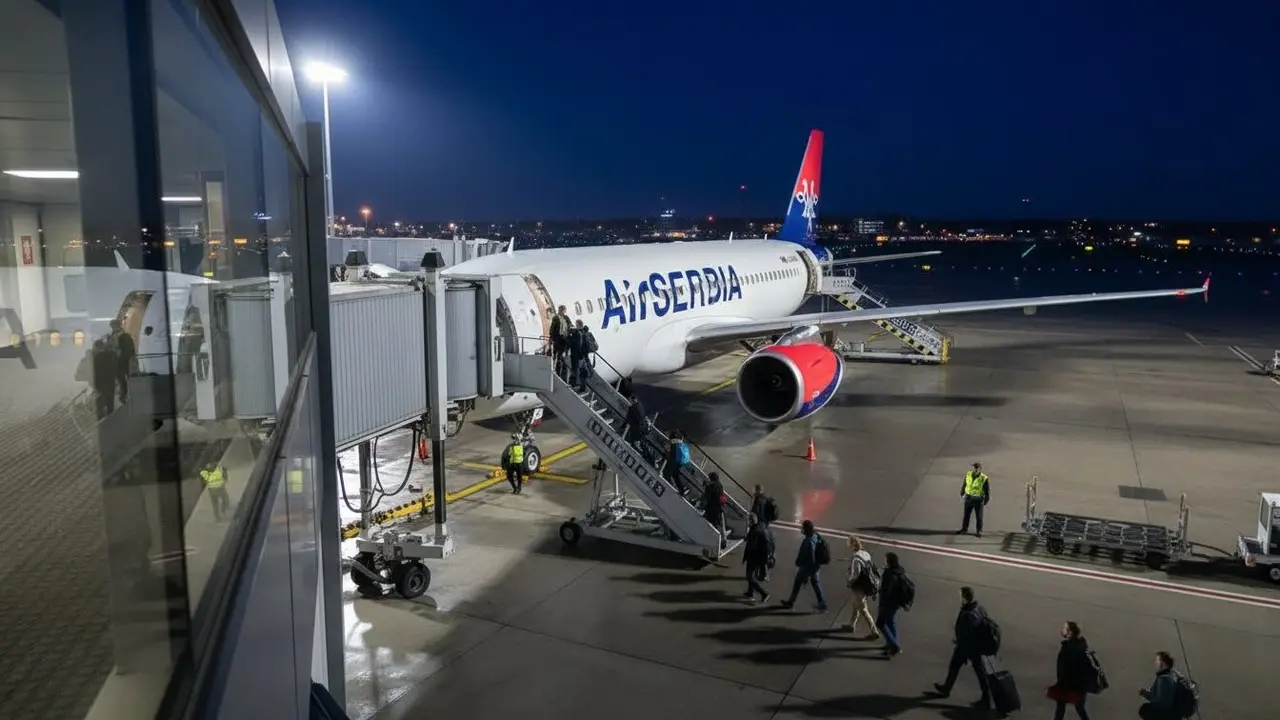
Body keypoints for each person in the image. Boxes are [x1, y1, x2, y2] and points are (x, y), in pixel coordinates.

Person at [933, 586, 993, 708]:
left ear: (965, 598)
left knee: (973, 670)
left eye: (961, 596)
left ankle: (986, 698)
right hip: (974, 646)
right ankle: (947, 688)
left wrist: (959, 641)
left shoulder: (968, 614)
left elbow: (965, 632)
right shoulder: (979, 608)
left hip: (968, 647)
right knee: (974, 670)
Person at [780, 519, 828, 612]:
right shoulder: (816, 536)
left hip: (807, 567)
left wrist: (800, 563)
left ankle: (791, 602)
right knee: (815, 583)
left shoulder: (808, 541)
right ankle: (822, 603)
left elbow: (807, 556)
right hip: (816, 566)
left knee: (798, 582)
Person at [1049, 621, 1093, 720]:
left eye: (1065, 628)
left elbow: (1065, 667)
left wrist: (1062, 682)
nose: (1062, 630)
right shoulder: (1081, 644)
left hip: (1068, 684)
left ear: (1070, 632)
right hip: (1079, 684)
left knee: (1061, 708)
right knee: (1079, 708)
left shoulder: (1068, 647)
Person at [843, 536, 880, 639]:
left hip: (860, 587)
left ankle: (874, 631)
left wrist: (849, 580)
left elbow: (856, 574)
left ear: (852, 545)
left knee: (863, 609)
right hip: (867, 584)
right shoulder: (866, 553)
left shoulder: (855, 558)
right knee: (856, 604)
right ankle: (851, 625)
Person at [876, 552, 911, 657]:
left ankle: (893, 645)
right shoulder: (899, 571)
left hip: (888, 603)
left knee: (880, 623)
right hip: (896, 603)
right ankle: (890, 644)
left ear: (888, 562)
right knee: (891, 622)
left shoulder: (889, 575)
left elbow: (885, 591)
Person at [1138, 651, 1183, 719]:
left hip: (1167, 715)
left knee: (1145, 709)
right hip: (1174, 714)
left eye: (1157, 660)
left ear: (1163, 663)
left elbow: (1160, 701)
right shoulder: (1173, 674)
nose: (1156, 663)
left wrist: (1146, 694)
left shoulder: (1164, 679)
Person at [741, 513, 772, 603]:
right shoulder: (759, 527)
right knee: (749, 575)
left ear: (751, 521)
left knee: (750, 577)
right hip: (757, 557)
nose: (747, 522)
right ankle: (750, 592)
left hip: (753, 557)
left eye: (748, 520)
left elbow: (752, 546)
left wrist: (746, 556)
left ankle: (764, 593)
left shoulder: (755, 531)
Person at [957, 462, 991, 537]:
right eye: (974, 468)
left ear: (980, 469)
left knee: (979, 516)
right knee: (966, 515)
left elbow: (987, 491)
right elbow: (964, 484)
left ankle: (979, 531)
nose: (975, 469)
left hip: (978, 499)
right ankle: (964, 529)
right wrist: (962, 493)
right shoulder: (968, 474)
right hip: (968, 497)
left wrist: (985, 501)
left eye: (977, 468)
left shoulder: (984, 478)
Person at [109, 318, 136, 403]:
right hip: (120, 361)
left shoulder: (122, 336)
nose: (113, 328)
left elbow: (129, 349)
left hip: (122, 360)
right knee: (123, 379)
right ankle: (126, 395)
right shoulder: (115, 336)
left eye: (114, 326)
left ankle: (127, 395)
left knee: (125, 378)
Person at [702, 471, 727, 549]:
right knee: (722, 526)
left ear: (711, 479)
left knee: (713, 526)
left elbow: (706, 498)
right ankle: (724, 541)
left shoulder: (709, 487)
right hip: (720, 508)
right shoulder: (720, 485)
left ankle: (714, 541)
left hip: (712, 510)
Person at [665, 430, 691, 496]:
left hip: (674, 460)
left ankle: (669, 488)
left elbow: (668, 451)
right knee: (675, 474)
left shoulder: (673, 441)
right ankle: (682, 489)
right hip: (680, 461)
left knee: (666, 473)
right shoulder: (680, 442)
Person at [550, 305, 571, 379]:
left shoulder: (566, 318)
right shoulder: (555, 318)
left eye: (563, 310)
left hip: (564, 340)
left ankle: (562, 371)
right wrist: (552, 338)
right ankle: (558, 372)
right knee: (558, 356)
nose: (561, 311)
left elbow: (569, 326)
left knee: (562, 356)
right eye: (560, 310)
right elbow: (552, 329)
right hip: (558, 339)